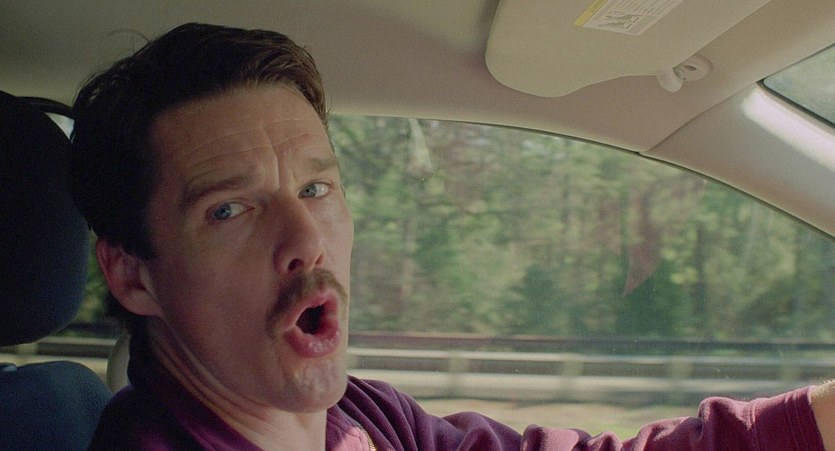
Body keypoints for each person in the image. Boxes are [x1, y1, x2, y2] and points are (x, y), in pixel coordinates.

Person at [70, 23, 835, 450]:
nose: (306, 238)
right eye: (230, 210)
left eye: (315, 188)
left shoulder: (362, 418)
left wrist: (813, 419)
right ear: (133, 274)